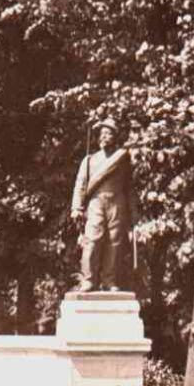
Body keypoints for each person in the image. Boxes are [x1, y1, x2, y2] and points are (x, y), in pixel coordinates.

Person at [71, 117, 135, 291]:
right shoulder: (89, 160)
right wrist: (76, 207)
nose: (105, 137)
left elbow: (129, 188)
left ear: (115, 137)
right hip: (96, 202)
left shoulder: (122, 159)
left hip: (117, 202)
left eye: (109, 133)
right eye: (103, 133)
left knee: (115, 241)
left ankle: (109, 280)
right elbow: (80, 184)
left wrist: (134, 215)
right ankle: (88, 279)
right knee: (92, 239)